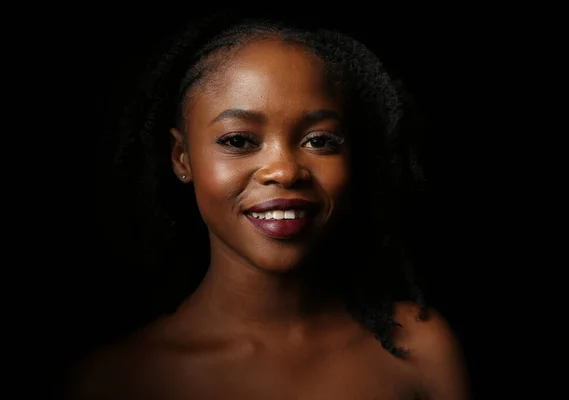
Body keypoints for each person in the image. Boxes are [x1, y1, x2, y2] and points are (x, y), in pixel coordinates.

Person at [68, 11, 470, 400]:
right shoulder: (114, 381)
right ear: (181, 158)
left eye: (319, 141)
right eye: (239, 141)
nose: (284, 170)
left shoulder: (418, 349)